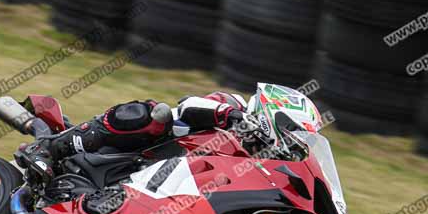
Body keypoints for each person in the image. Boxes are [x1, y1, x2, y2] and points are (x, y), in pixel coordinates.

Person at [16, 91, 263, 182]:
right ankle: (49, 148)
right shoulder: (230, 110)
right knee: (153, 115)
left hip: (149, 181)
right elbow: (189, 106)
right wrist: (234, 115)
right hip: (147, 145)